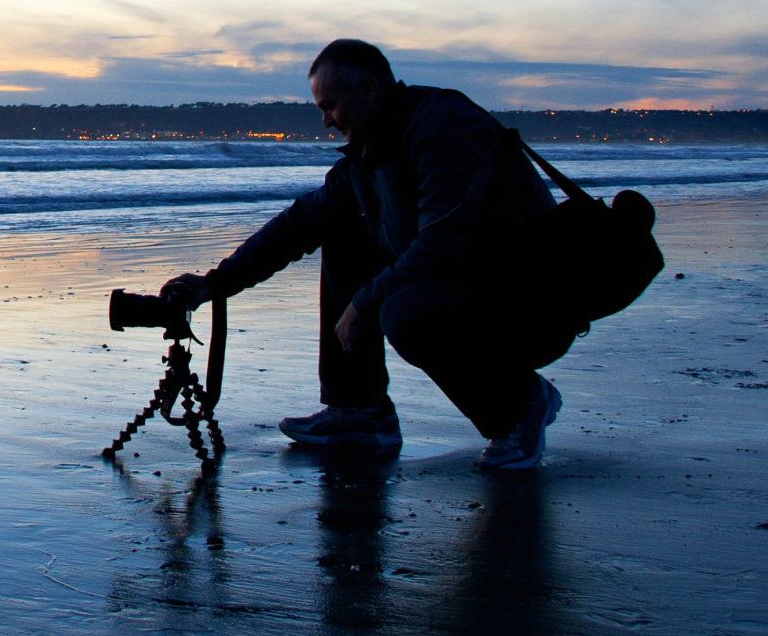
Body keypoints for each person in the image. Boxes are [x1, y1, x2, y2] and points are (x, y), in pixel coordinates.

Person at [160, 39, 564, 468]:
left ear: (369, 88)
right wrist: (214, 284)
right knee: (343, 232)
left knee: (404, 314)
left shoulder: (446, 128)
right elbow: (299, 225)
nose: (325, 121)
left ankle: (520, 407)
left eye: (330, 105)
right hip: (469, 284)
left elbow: (445, 244)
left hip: (530, 298)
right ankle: (359, 411)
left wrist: (364, 302)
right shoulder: (370, 154)